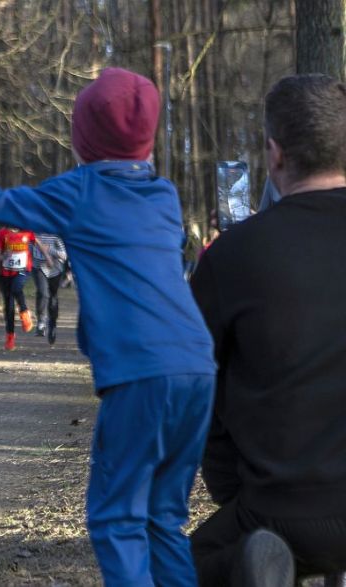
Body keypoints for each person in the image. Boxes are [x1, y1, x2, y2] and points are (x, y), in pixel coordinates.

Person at [0, 67, 216, 585]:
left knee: (117, 517)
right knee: (164, 517)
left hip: (140, 372)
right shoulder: (164, 196)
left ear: (82, 144)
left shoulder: (80, 192)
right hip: (197, 366)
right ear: (146, 145)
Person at [190, 73, 346, 586]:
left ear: (275, 153)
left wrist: (232, 489)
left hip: (281, 510)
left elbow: (196, 384)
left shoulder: (231, 257)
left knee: (167, 569)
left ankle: (247, 565)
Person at [0, 226, 38, 350]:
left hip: (23, 269)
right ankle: (10, 336)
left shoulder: (28, 231)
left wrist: (47, 257)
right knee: (9, 306)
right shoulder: (1, 233)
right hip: (5, 274)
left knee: (17, 288)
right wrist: (2, 257)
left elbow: (37, 242)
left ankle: (24, 312)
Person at [32, 233, 67, 345]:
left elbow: (64, 255)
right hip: (39, 267)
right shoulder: (33, 233)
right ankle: (41, 322)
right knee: (43, 293)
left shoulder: (56, 235)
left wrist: (50, 250)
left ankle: (52, 324)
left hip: (55, 270)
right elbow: (26, 249)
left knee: (53, 297)